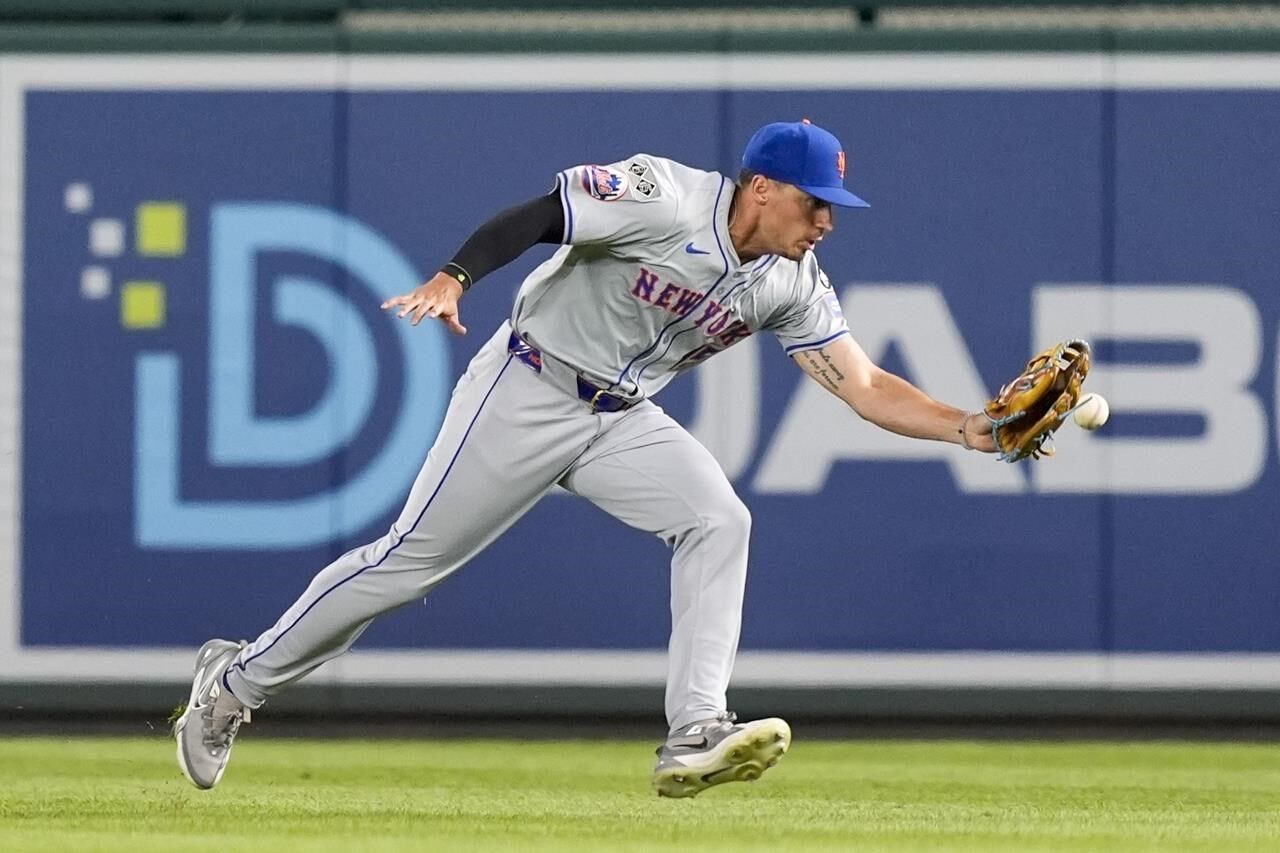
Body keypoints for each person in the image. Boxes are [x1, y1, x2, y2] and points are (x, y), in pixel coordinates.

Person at [173, 119, 997, 798]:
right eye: (817, 203)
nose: (827, 223)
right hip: (527, 384)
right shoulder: (664, 197)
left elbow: (863, 384)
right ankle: (235, 683)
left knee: (719, 519)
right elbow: (539, 216)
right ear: (762, 188)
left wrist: (971, 428)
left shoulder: (790, 280)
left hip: (620, 416)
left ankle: (694, 731)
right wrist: (457, 276)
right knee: (407, 565)